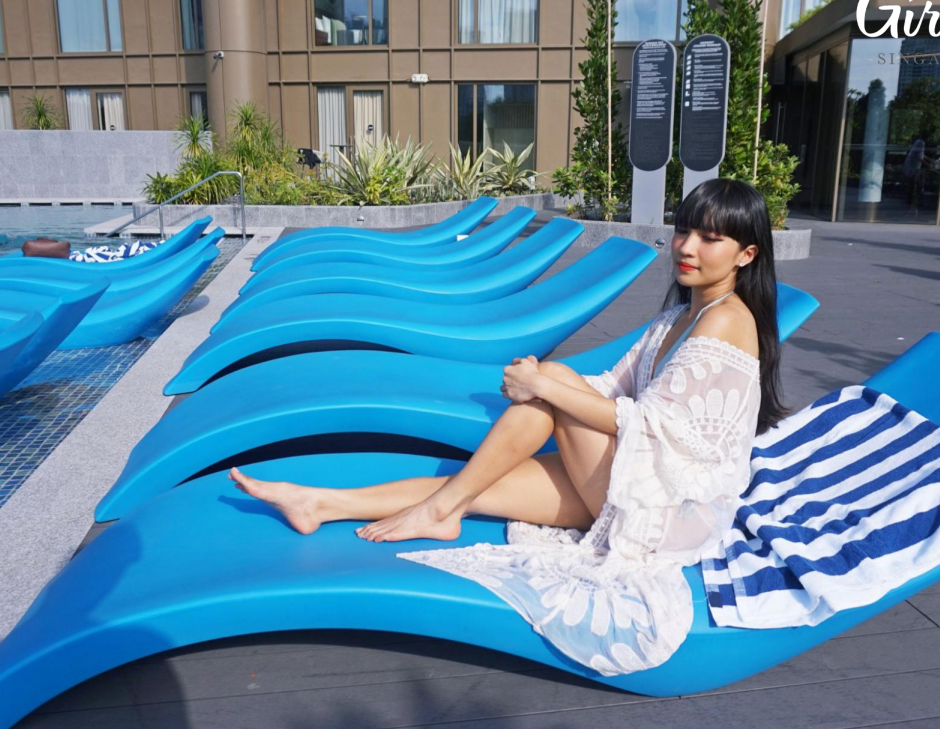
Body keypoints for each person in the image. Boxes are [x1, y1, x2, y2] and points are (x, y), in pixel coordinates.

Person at [230, 178, 786, 674]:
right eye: (684, 231)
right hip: (637, 480)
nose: (687, 248)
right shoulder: (681, 313)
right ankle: (323, 503)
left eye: (710, 239)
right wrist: (542, 379)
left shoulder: (726, 324)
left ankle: (439, 509)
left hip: (669, 511)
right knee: (477, 484)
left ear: (746, 253)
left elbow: (648, 423)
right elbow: (615, 382)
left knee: (551, 387)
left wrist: (544, 387)